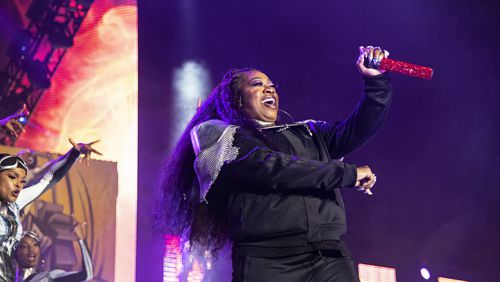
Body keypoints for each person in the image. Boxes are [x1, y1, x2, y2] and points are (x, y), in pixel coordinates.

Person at [157, 46, 392, 281]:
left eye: (271, 85)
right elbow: (272, 168)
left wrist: (376, 83)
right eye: (257, 84)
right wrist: (346, 174)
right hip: (267, 263)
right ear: (236, 100)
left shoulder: (309, 132)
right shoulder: (222, 136)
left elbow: (357, 130)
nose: (269, 88)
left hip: (330, 260)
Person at [0, 140, 99, 282]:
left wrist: (74, 154)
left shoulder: (16, 203)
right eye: (12, 177)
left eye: (22, 181)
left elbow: (47, 180)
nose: (18, 185)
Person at [12, 224, 93, 282]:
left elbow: (87, 275)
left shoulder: (50, 278)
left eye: (35, 245)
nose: (31, 249)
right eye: (24, 246)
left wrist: (81, 240)